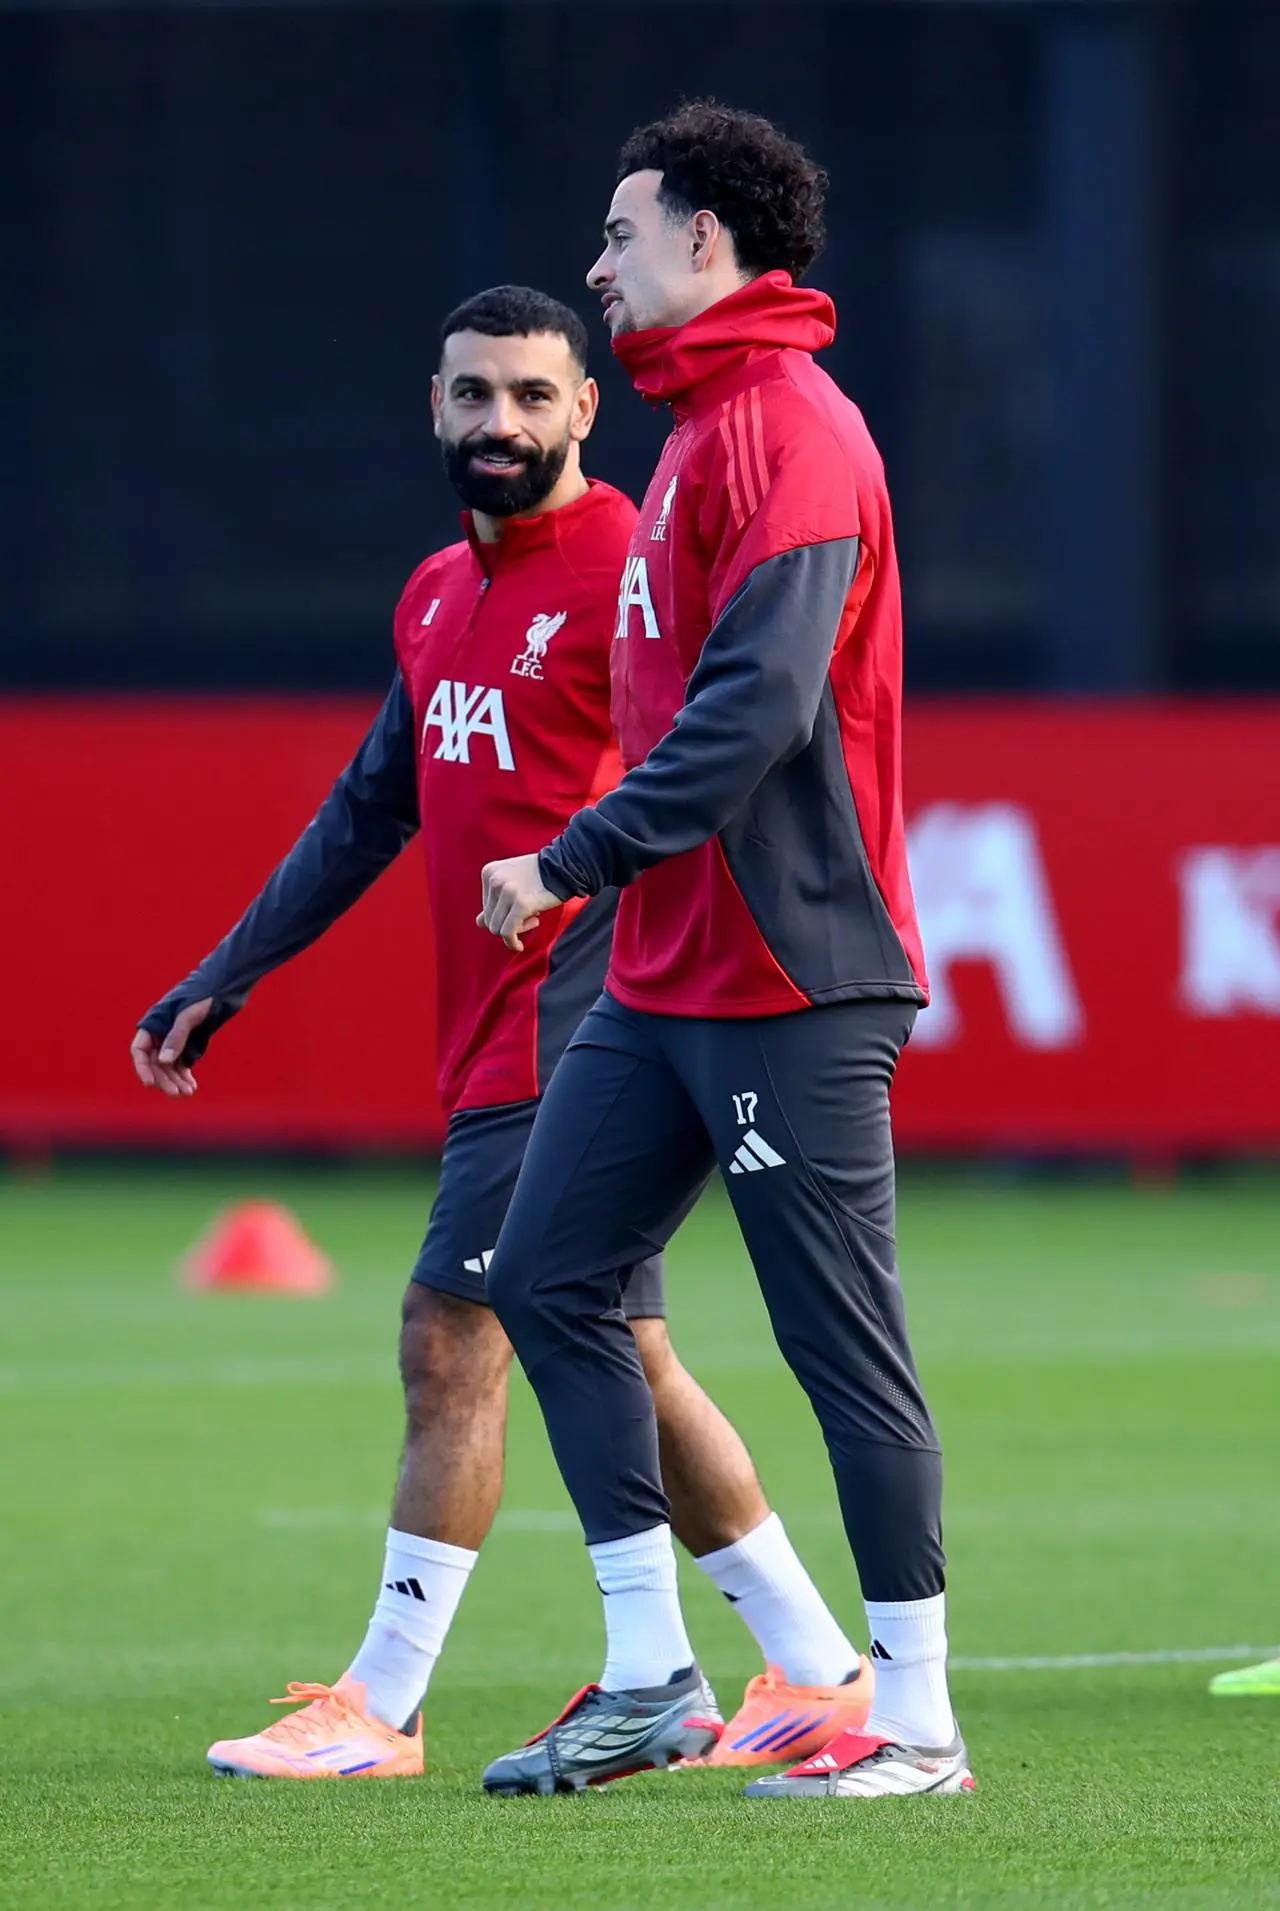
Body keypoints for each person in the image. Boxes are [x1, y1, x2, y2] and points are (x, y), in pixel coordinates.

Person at [132, 284, 875, 1782]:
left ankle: (384, 1701)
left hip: (585, 1028)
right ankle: (812, 1667)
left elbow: (710, 769)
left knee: (450, 1331)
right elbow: (369, 808)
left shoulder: (628, 565)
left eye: (534, 396)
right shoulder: (430, 593)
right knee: (628, 1352)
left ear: (588, 410)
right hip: (495, 1039)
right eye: (474, 396)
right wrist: (233, 965)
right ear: (434, 405)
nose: (501, 425)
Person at [477, 107, 974, 1801]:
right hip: (665, 974)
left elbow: (755, 712)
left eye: (621, 235)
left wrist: (571, 852)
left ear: (709, 244)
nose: (599, 266)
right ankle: (651, 1670)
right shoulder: (695, 433)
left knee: (843, 1347)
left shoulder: (792, 430)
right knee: (542, 1276)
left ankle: (915, 1722)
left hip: (795, 973)